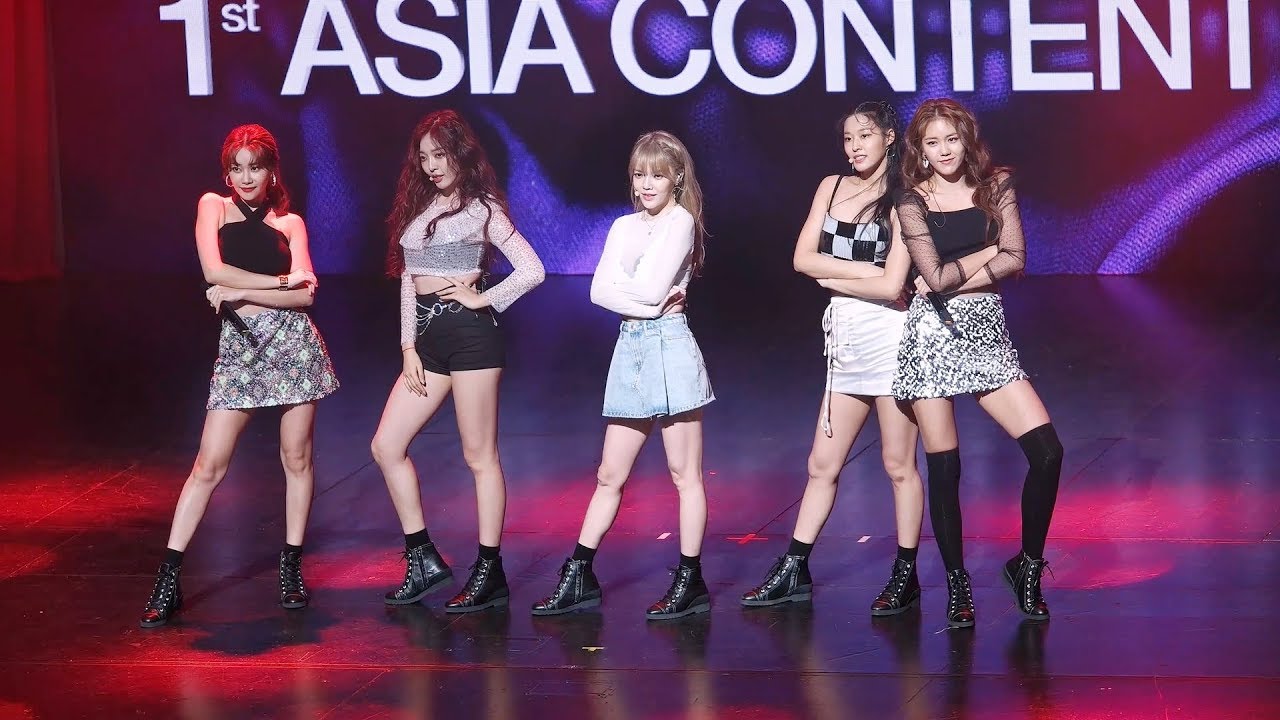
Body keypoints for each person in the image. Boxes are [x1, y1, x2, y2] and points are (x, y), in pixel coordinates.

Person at [140, 124, 339, 628]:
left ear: (272, 172)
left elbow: (307, 295)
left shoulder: (290, 223)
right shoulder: (214, 205)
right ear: (226, 173)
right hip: (241, 349)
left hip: (293, 345)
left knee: (296, 458)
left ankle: (290, 566)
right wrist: (279, 282)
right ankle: (168, 577)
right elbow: (214, 272)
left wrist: (244, 292)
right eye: (237, 168)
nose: (246, 177)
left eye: (255, 167)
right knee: (208, 464)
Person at [740, 101, 924, 616]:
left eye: (865, 136)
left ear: (889, 137)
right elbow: (802, 259)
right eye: (848, 138)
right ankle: (794, 567)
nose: (855, 147)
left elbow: (893, 284)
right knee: (821, 463)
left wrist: (832, 275)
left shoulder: (905, 195)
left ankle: (905, 573)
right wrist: (861, 275)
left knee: (898, 464)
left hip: (892, 339)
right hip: (845, 340)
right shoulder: (831, 186)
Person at [893, 98, 1063, 628]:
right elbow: (935, 278)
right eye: (932, 142)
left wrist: (964, 269)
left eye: (951, 139)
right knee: (945, 468)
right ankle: (957, 583)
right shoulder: (911, 200)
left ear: (967, 140)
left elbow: (1017, 259)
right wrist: (989, 252)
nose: (944, 151)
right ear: (919, 150)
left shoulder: (997, 185)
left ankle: (1027, 567)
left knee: (1048, 453)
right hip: (931, 335)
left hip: (986, 331)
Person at [531, 131, 714, 620]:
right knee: (609, 474)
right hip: (631, 346)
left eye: (657, 174)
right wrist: (643, 301)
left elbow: (650, 293)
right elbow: (599, 292)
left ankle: (690, 579)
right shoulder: (622, 225)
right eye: (639, 174)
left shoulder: (681, 222)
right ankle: (579, 574)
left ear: (677, 177)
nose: (647, 184)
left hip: (670, 346)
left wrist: (632, 293)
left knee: (684, 475)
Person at [371, 110, 545, 613]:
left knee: (478, 456)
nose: (431, 166)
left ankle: (489, 571)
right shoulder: (419, 209)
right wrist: (407, 347)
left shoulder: (483, 209)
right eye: (424, 157)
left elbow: (532, 269)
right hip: (426, 343)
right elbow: (409, 281)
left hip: (471, 340)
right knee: (386, 446)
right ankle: (423, 558)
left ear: (460, 154)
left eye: (440, 155)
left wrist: (484, 298)